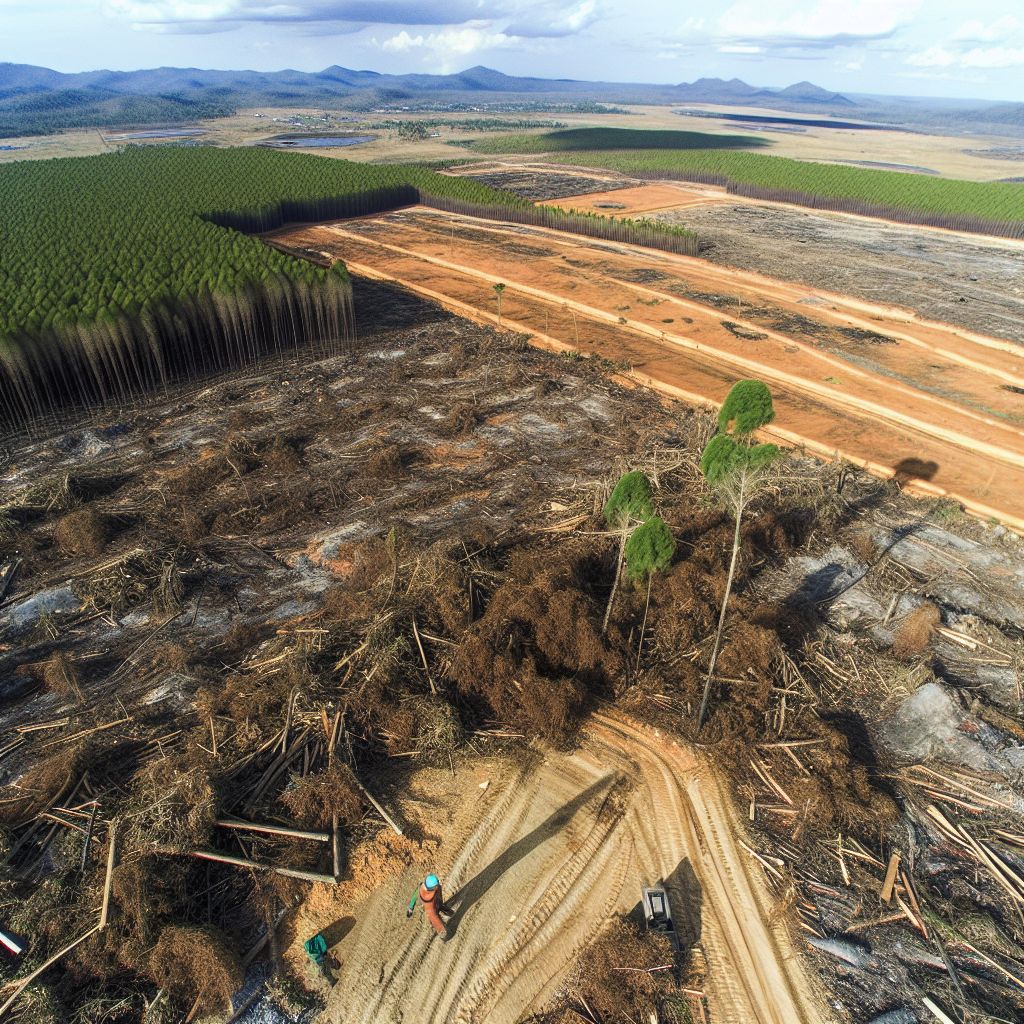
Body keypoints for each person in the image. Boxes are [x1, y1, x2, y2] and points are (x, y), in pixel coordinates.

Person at [407, 873, 452, 940]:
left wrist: (410, 908)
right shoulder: (428, 903)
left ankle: (441, 907)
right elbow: (414, 898)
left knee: (439, 903)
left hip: (436, 900)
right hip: (432, 905)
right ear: (431, 888)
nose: (438, 886)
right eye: (436, 886)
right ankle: (442, 930)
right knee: (434, 916)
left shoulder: (431, 886)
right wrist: (410, 908)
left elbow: (414, 897)